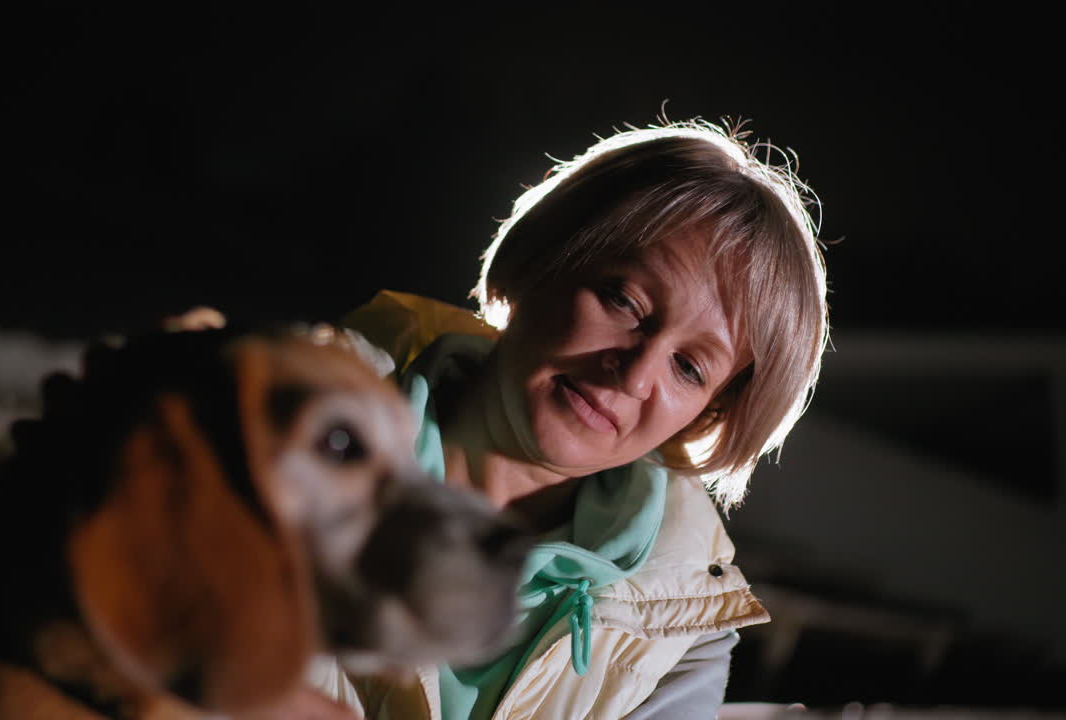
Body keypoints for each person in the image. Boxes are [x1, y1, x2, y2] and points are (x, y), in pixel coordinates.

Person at [312, 119, 830, 719]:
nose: (633, 376)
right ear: (544, 257)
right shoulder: (268, 428)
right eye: (624, 301)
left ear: (709, 412)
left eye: (689, 367)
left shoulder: (682, 633)